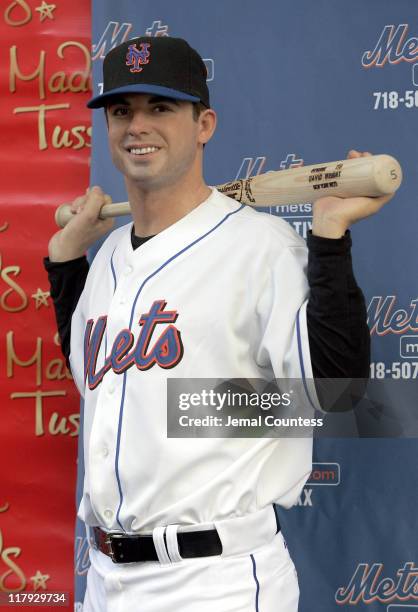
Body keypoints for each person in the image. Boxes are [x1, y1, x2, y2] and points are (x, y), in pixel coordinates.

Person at [44, 36, 392, 612]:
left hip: (215, 581)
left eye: (161, 108)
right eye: (121, 111)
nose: (137, 126)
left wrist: (329, 237)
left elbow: (337, 390)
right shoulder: (107, 256)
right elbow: (99, 384)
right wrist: (64, 263)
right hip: (105, 578)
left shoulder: (260, 247)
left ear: (204, 124)